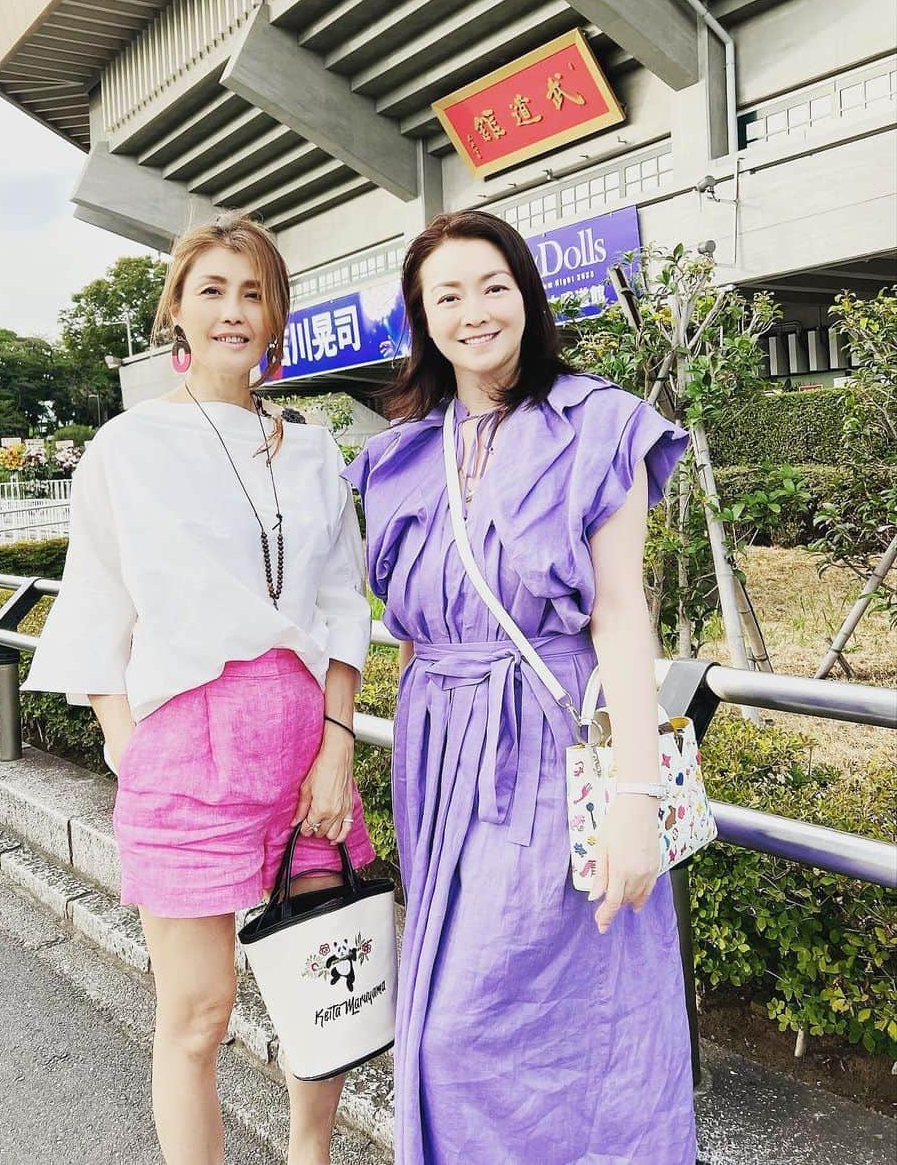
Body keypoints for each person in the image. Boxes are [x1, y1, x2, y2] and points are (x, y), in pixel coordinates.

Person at [343, 210, 696, 1163]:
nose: (474, 310)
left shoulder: (596, 422)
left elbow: (622, 614)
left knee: (507, 1025)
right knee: (445, 1026)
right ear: (421, 318)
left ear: (526, 295)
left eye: (492, 285)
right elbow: (407, 637)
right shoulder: (399, 456)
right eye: (446, 294)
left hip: (550, 743)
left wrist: (635, 799)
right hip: (438, 751)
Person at [22, 212, 375, 1165]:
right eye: (211, 291)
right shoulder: (127, 448)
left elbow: (344, 607)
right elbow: (96, 603)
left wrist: (338, 744)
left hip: (306, 738)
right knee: (196, 1013)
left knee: (321, 984)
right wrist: (133, 746)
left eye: (253, 292)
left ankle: (311, 1156)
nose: (232, 311)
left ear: (276, 315)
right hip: (185, 742)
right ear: (175, 309)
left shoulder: (311, 451)